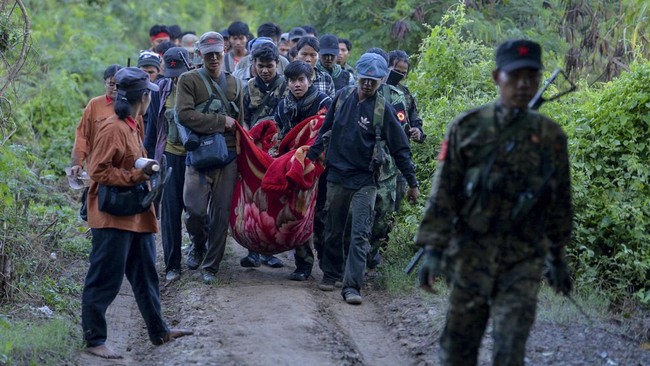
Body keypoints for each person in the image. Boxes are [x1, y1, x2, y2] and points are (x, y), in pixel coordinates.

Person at [416, 39, 573, 366]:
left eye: (531, 76)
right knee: (458, 349)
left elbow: (559, 202)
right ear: (496, 77)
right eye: (514, 76)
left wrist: (557, 257)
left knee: (509, 348)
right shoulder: (468, 127)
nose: (524, 84)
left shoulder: (551, 137)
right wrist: (432, 249)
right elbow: (444, 191)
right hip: (470, 256)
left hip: (523, 260)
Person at [81, 67, 192, 359]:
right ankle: (95, 339)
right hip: (112, 215)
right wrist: (135, 175)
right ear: (142, 97)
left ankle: (159, 331)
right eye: (148, 96)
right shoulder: (114, 127)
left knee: (145, 275)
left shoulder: (134, 122)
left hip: (135, 214)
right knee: (105, 277)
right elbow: (98, 170)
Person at [307, 53, 419, 304]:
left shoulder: (383, 109)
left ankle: (352, 287)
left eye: (373, 81)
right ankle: (331, 273)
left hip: (365, 179)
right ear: (357, 76)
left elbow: (401, 149)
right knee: (333, 229)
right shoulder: (342, 97)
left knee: (360, 233)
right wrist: (309, 160)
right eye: (364, 79)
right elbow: (324, 131)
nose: (367, 85)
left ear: (381, 80)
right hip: (336, 175)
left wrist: (412, 183)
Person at [175, 31, 244, 284]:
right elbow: (184, 115)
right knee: (194, 210)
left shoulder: (235, 83)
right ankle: (197, 243)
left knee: (221, 213)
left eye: (217, 52)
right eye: (208, 53)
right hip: (200, 155)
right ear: (200, 54)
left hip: (227, 157)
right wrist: (219, 121)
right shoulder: (188, 80)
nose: (214, 58)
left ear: (224, 51)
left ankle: (211, 265)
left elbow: (240, 123)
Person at [272, 60, 332, 281]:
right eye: (292, 81)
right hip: (294, 169)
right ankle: (303, 265)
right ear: (287, 83)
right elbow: (278, 136)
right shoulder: (283, 106)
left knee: (322, 217)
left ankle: (328, 267)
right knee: (297, 214)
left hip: (321, 168)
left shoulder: (324, 103)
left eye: (301, 80)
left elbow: (328, 133)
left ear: (310, 80)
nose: (297, 84)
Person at [237, 42, 288, 269]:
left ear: (277, 64)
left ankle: (270, 251)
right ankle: (253, 250)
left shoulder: (286, 87)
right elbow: (243, 118)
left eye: (269, 66)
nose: (265, 70)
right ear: (253, 65)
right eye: (261, 66)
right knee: (252, 201)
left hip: (279, 153)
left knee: (274, 201)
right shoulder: (247, 88)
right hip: (255, 152)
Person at [144, 47, 191, 283]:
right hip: (170, 156)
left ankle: (198, 249)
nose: (176, 79)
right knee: (170, 213)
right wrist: (151, 163)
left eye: (179, 74)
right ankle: (173, 265)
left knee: (197, 211)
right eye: (172, 74)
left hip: (196, 157)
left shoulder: (198, 86)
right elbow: (152, 129)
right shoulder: (160, 91)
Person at [70, 64, 122, 221]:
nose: (115, 88)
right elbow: (82, 135)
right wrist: (77, 162)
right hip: (97, 168)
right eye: (111, 84)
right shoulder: (95, 105)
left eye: (119, 85)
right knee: (96, 209)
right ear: (105, 83)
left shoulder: (130, 106)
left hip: (122, 170)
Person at [387, 49, 426, 211]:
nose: (400, 76)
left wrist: (418, 131)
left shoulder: (405, 94)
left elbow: (415, 119)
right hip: (382, 156)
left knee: (396, 204)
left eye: (404, 73)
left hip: (401, 157)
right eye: (396, 71)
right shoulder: (378, 89)